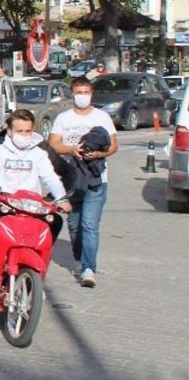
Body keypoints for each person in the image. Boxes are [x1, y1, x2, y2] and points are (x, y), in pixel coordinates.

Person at [0, 109, 71, 296]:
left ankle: (35, 278)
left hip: (31, 207)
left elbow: (51, 178)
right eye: (20, 131)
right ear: (10, 131)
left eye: (28, 131)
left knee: (55, 222)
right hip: (2, 204)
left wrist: (62, 199)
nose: (24, 135)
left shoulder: (39, 154)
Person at [48, 76, 118, 288]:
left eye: (86, 92)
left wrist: (98, 153)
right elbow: (53, 145)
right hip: (72, 179)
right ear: (72, 93)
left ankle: (89, 268)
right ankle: (79, 258)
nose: (82, 96)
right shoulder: (63, 118)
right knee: (75, 225)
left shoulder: (102, 117)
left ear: (91, 93)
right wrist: (71, 150)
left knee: (90, 225)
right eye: (79, 92)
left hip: (97, 179)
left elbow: (114, 146)